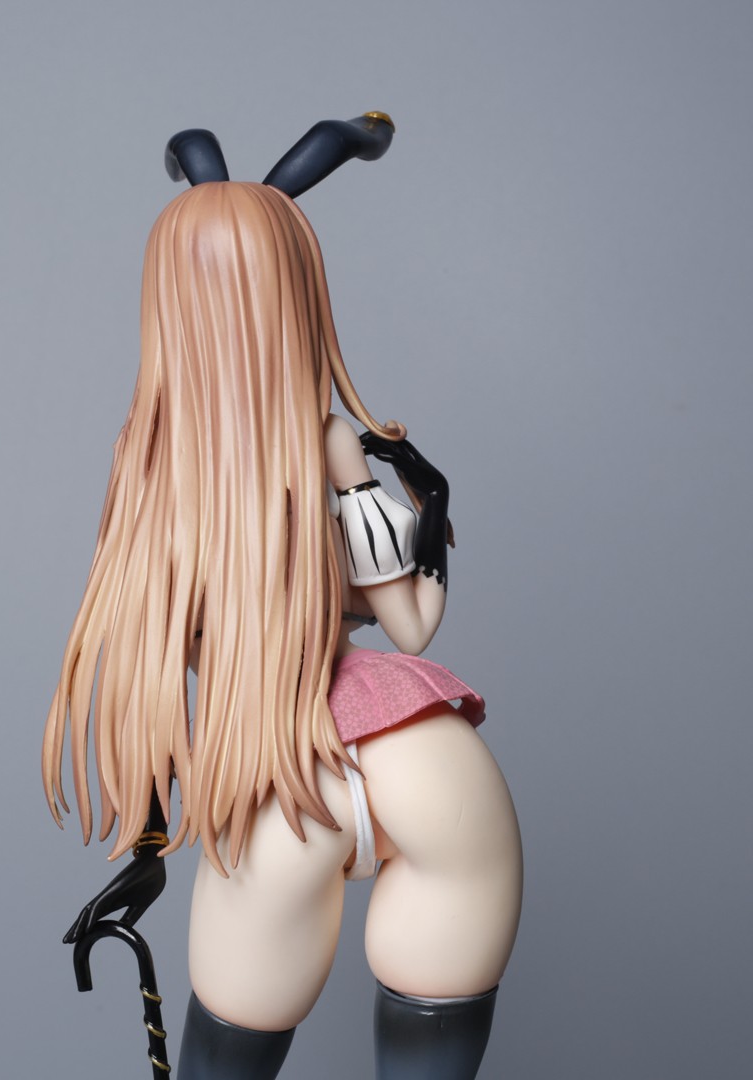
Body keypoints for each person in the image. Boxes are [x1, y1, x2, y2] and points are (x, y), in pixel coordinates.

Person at [44, 119, 522, 1080]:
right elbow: (413, 628)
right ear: (299, 289)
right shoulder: (335, 443)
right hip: (426, 766)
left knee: (224, 1061)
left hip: (274, 788)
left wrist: (148, 849)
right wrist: (428, 505)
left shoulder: (148, 473)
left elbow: (146, 675)